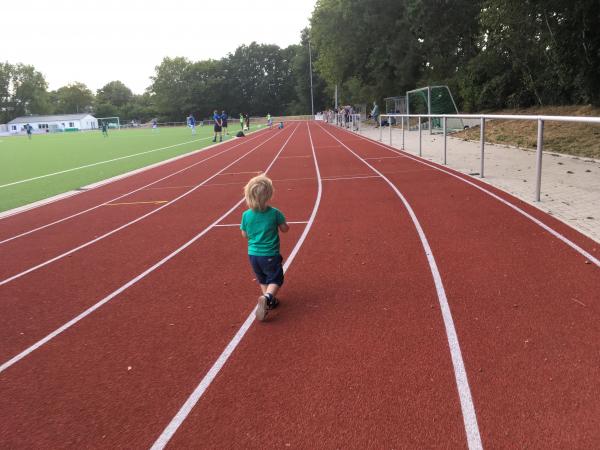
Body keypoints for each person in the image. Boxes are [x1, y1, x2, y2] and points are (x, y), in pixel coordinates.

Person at [240, 175, 289, 321]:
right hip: (270, 254)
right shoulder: (275, 213)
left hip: (253, 255)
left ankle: (269, 302)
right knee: (275, 278)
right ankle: (268, 297)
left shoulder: (246, 215)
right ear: (269, 194)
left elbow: (244, 234)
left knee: (263, 278)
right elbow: (285, 229)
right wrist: (285, 225)